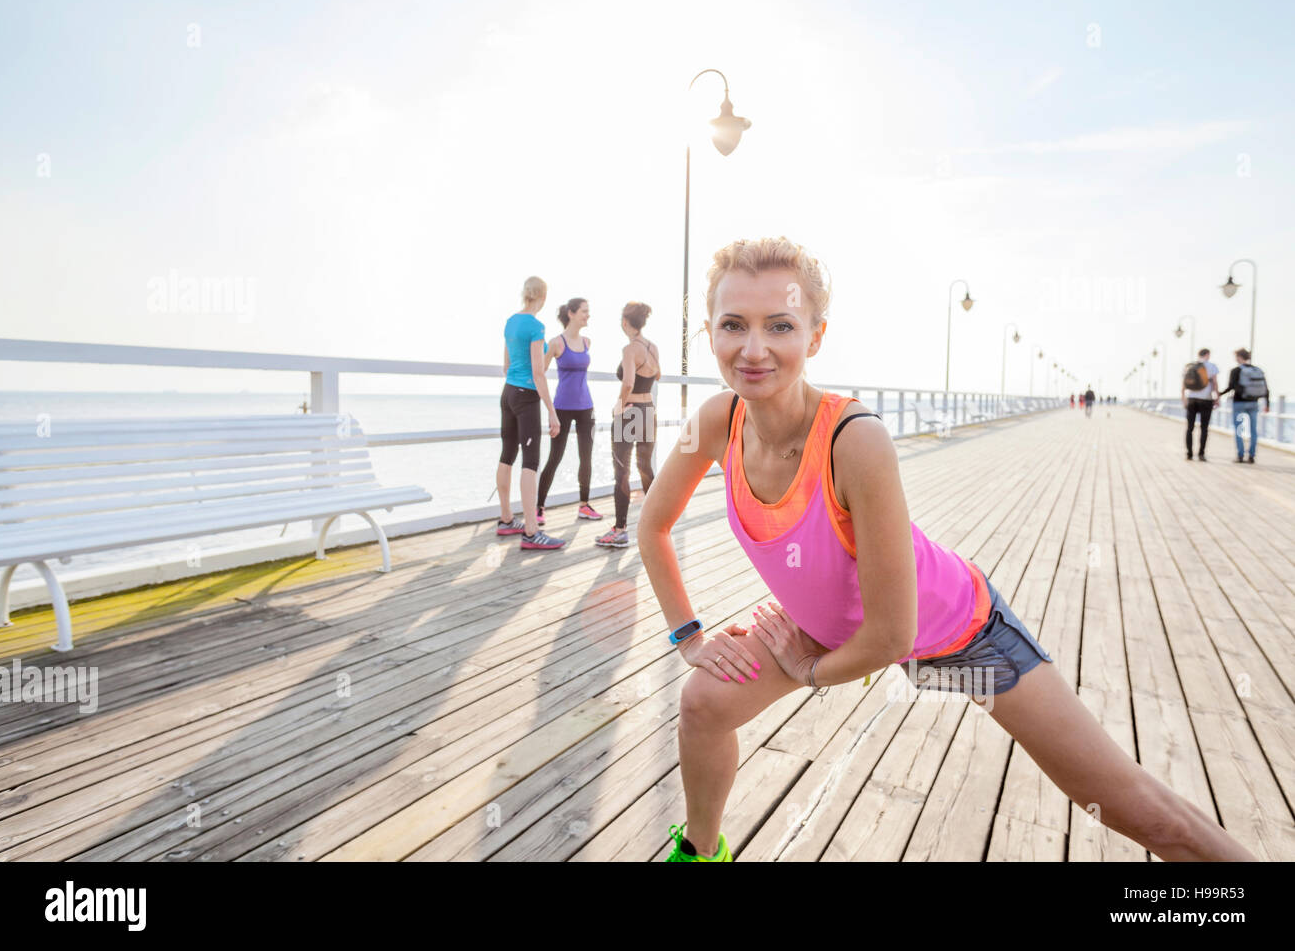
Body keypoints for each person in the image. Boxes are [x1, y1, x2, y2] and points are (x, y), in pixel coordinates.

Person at [638, 235, 1255, 863]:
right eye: (733, 325)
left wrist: (811, 670)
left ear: (816, 336)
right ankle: (700, 851)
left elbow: (891, 637)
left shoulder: (856, 439)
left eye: (780, 326)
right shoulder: (716, 421)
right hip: (834, 632)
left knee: (1134, 810)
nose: (754, 348)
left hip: (963, 635)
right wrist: (690, 638)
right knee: (705, 702)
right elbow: (653, 527)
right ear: (708, 333)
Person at [495, 276, 565, 550]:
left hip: (508, 393)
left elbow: (506, 365)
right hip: (526, 397)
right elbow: (538, 372)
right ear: (543, 297)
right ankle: (531, 531)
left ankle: (506, 519)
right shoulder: (536, 327)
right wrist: (552, 411)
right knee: (530, 462)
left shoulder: (511, 322)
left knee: (507, 455)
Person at [596, 302, 659, 548]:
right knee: (645, 467)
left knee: (621, 471)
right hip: (648, 412)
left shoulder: (630, 349)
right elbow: (658, 374)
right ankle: (656, 523)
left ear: (625, 322)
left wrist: (619, 406)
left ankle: (621, 530)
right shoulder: (653, 348)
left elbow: (628, 383)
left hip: (630, 411)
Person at [536, 297, 604, 523]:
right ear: (572, 314)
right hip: (562, 407)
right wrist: (549, 410)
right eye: (584, 311)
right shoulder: (556, 343)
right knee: (555, 457)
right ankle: (539, 508)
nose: (588, 315)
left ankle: (584, 505)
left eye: (588, 311)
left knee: (586, 458)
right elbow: (539, 373)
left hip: (586, 407)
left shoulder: (587, 342)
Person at [1217, 348, 1271, 464]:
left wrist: (1219, 394)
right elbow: (1266, 389)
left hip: (1239, 403)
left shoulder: (1236, 370)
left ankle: (1240, 455)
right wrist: (1267, 404)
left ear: (1239, 357)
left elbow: (1231, 387)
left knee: (1239, 429)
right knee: (1253, 430)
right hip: (1254, 403)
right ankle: (1251, 456)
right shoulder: (1257, 370)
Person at [1182, 348, 1220, 461]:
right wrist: (1217, 398)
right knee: (1204, 428)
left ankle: (1189, 453)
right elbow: (1215, 383)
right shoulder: (1211, 366)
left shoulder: (1188, 366)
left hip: (1191, 399)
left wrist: (1183, 398)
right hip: (1206, 399)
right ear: (1207, 354)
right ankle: (1201, 454)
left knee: (1190, 428)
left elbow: (1183, 385)